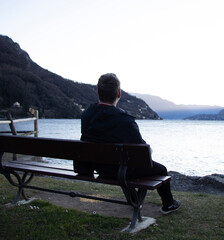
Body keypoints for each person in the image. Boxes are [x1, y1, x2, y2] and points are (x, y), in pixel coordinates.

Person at [76, 73, 180, 215]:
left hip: (99, 168)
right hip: (119, 171)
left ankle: (134, 199)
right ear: (119, 93)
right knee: (161, 169)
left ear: (98, 92)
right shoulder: (125, 119)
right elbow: (143, 153)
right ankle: (168, 205)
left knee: (127, 163)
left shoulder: (87, 114)